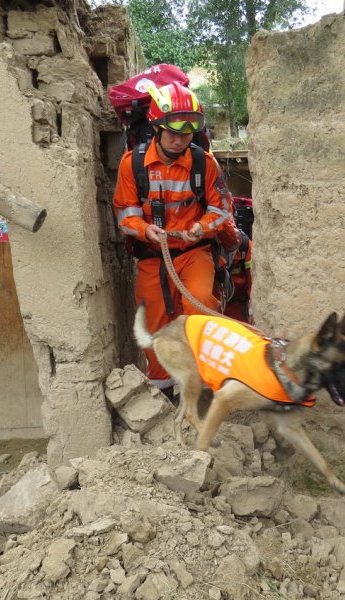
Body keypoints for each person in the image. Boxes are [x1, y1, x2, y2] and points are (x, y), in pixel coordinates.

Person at [113, 81, 235, 395]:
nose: (181, 141)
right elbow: (125, 213)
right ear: (157, 128)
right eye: (174, 133)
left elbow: (222, 210)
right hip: (153, 256)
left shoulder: (203, 164)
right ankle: (163, 387)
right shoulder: (133, 164)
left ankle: (202, 381)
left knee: (200, 305)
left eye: (187, 134)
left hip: (194, 252)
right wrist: (144, 230)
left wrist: (202, 227)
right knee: (154, 322)